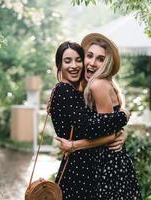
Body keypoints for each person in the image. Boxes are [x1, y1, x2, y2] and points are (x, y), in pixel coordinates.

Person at [57, 33, 142, 200]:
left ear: (107, 63)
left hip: (108, 164)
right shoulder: (87, 85)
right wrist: (122, 122)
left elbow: (108, 134)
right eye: (89, 56)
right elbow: (111, 125)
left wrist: (74, 145)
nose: (92, 63)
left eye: (100, 59)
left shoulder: (97, 85)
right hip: (107, 162)